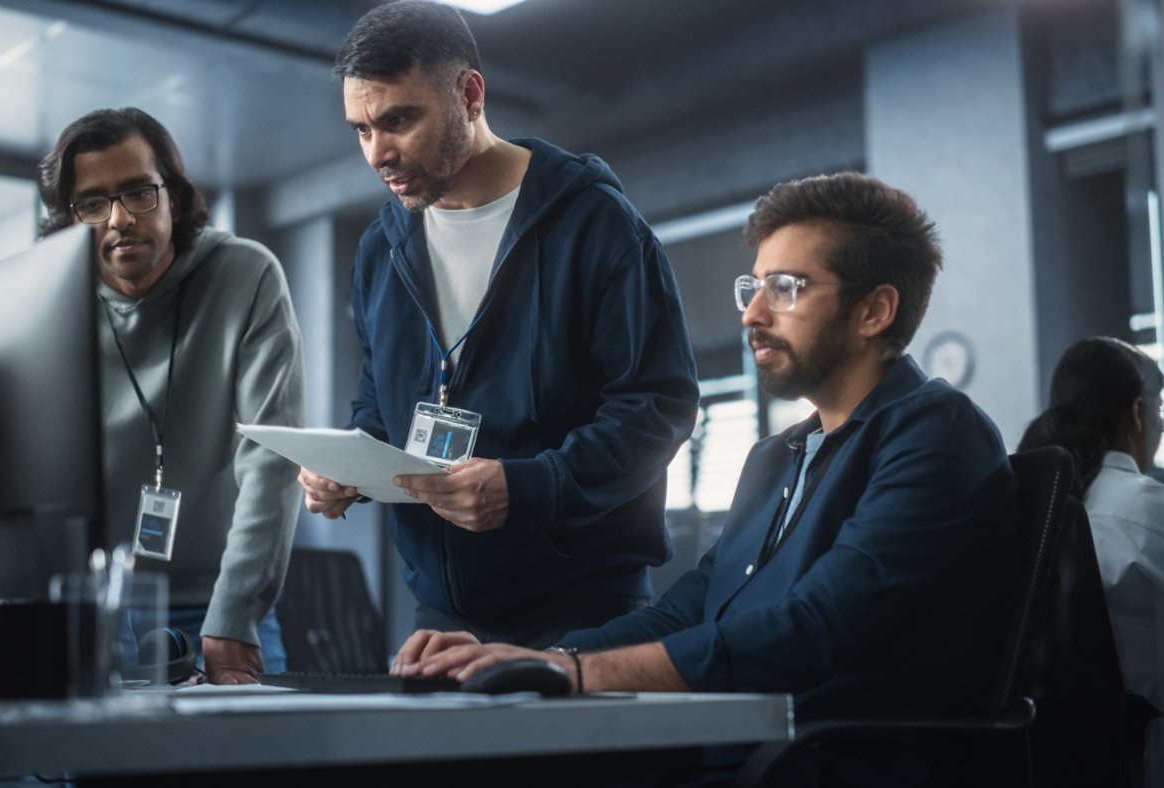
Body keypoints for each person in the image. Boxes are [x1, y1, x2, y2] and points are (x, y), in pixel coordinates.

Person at [396, 172, 1018, 784]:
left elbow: (818, 629)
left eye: (786, 288)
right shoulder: (778, 456)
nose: (752, 313)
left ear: (875, 310)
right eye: (754, 286)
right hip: (741, 751)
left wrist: (579, 677)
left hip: (831, 764)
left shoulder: (935, 433)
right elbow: (694, 607)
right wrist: (551, 658)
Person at [297, 0, 699, 648]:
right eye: (361, 129)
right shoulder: (381, 249)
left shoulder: (595, 224)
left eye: (398, 120)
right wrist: (349, 464)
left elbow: (658, 407)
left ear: (470, 94)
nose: (378, 152)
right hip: (440, 617)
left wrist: (531, 486)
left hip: (584, 613)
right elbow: (381, 394)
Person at [38, 107, 305, 684]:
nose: (118, 220)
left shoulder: (245, 275)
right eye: (91, 203)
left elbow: (272, 462)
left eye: (138, 193)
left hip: (217, 610)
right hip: (92, 610)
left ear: (174, 200)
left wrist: (233, 617)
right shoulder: (46, 304)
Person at [1019, 337, 1164, 787]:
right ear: (1136, 414)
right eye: (1161, 411)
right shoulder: (1157, 511)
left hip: (1061, 767)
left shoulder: (1037, 502)